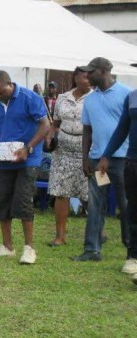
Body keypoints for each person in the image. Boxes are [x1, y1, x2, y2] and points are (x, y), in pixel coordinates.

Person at [0, 70, 50, 265]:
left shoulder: (30, 98)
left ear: (9, 84)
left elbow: (45, 125)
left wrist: (28, 148)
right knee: (2, 201)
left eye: (0, 92)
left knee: (23, 202)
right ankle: (7, 246)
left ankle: (29, 249)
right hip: (5, 159)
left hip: (27, 159)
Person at [73, 57, 132, 263]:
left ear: (105, 71)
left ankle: (131, 251)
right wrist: (85, 159)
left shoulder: (126, 94)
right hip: (98, 162)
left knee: (127, 206)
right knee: (97, 204)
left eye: (92, 71)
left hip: (123, 160)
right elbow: (87, 131)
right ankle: (92, 249)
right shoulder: (90, 99)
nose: (87, 76)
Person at [96, 67, 137, 283]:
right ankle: (132, 256)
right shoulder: (132, 97)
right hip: (132, 162)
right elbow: (122, 129)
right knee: (132, 210)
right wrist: (106, 155)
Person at [46, 68, 92, 246]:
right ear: (76, 77)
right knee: (61, 192)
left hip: (86, 149)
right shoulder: (63, 98)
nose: (88, 80)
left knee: (89, 193)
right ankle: (60, 236)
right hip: (63, 150)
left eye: (90, 77)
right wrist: (50, 136)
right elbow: (55, 123)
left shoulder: (95, 98)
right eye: (84, 76)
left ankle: (98, 230)